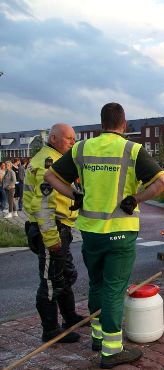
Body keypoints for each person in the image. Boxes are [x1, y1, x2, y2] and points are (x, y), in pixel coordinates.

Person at [44, 102, 164, 369]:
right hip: (120, 233)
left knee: (97, 284)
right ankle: (112, 351)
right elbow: (162, 182)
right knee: (114, 288)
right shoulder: (132, 150)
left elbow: (51, 176)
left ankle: (98, 338)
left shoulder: (81, 148)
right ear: (124, 125)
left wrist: (75, 195)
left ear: (102, 123)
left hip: (90, 231)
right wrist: (135, 198)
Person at [23, 123, 85, 343]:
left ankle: (70, 318)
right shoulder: (48, 164)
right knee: (51, 281)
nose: (73, 143)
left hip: (59, 227)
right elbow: (43, 205)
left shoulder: (53, 159)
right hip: (51, 229)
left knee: (66, 275)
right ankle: (50, 330)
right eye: (69, 139)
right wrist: (51, 239)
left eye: (74, 139)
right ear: (54, 138)